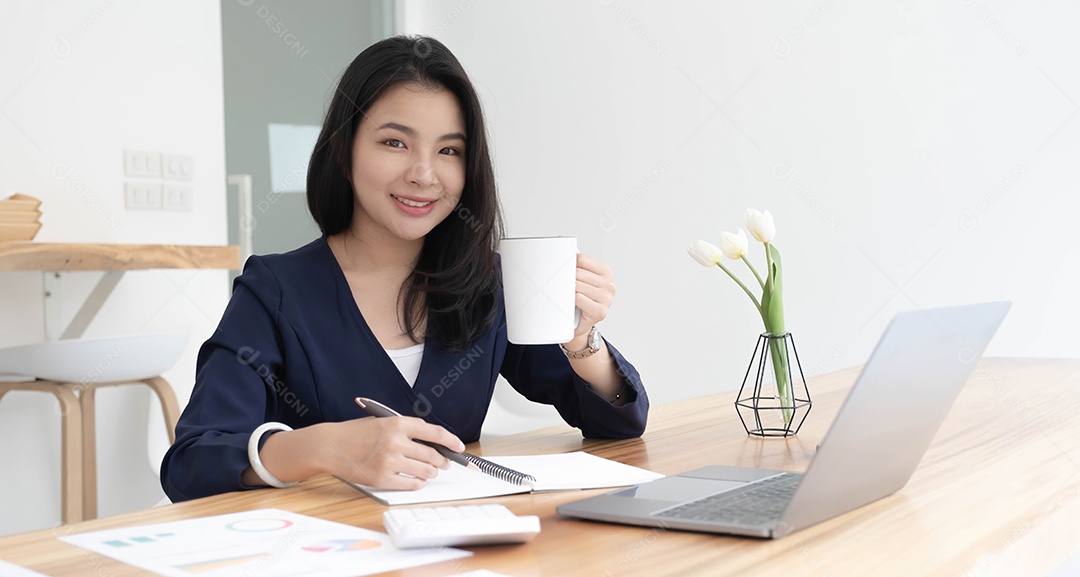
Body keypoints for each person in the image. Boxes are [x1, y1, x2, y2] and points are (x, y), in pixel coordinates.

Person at [160, 35, 648, 502]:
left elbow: (617, 424)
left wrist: (581, 339)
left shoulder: (487, 284)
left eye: (449, 150)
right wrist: (325, 448)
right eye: (395, 142)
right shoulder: (276, 291)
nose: (423, 174)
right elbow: (191, 463)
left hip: (466, 546)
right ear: (342, 148)